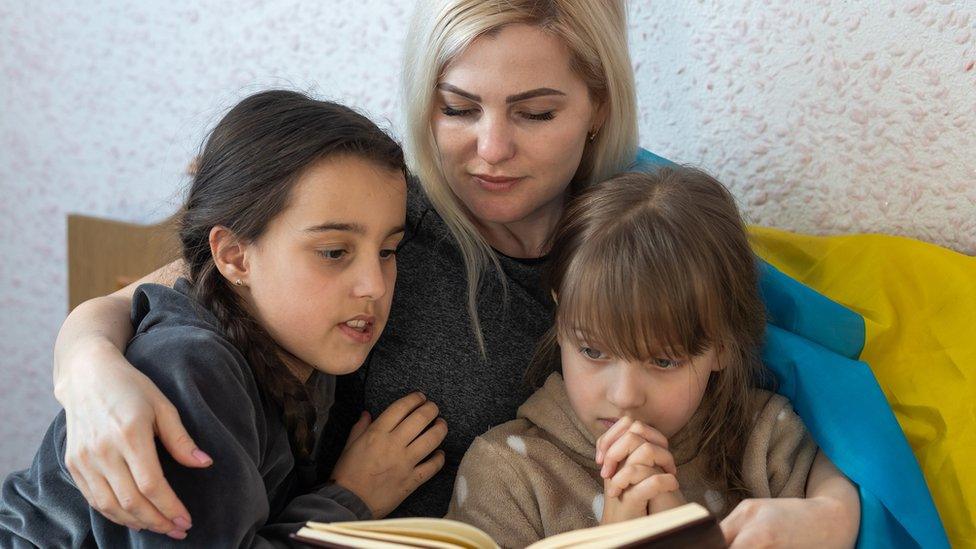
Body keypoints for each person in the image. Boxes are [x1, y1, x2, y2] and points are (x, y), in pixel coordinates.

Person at [48, 1, 867, 546]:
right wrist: (85, 365)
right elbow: (181, 289)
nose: (491, 149)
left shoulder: (628, 246)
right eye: (457, 107)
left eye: (536, 112)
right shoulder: (382, 212)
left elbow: (769, 395)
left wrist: (831, 514)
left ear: (598, 111)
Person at [0, 90, 448, 546]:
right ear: (234, 257)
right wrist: (351, 499)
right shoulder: (191, 368)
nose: (374, 284)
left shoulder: (300, 343)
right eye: (334, 252)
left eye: (388, 251)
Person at [445, 168, 860, 548]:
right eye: (593, 351)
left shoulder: (768, 440)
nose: (625, 396)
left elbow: (866, 473)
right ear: (559, 312)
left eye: (663, 362)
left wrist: (835, 511)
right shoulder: (509, 471)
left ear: (720, 346)